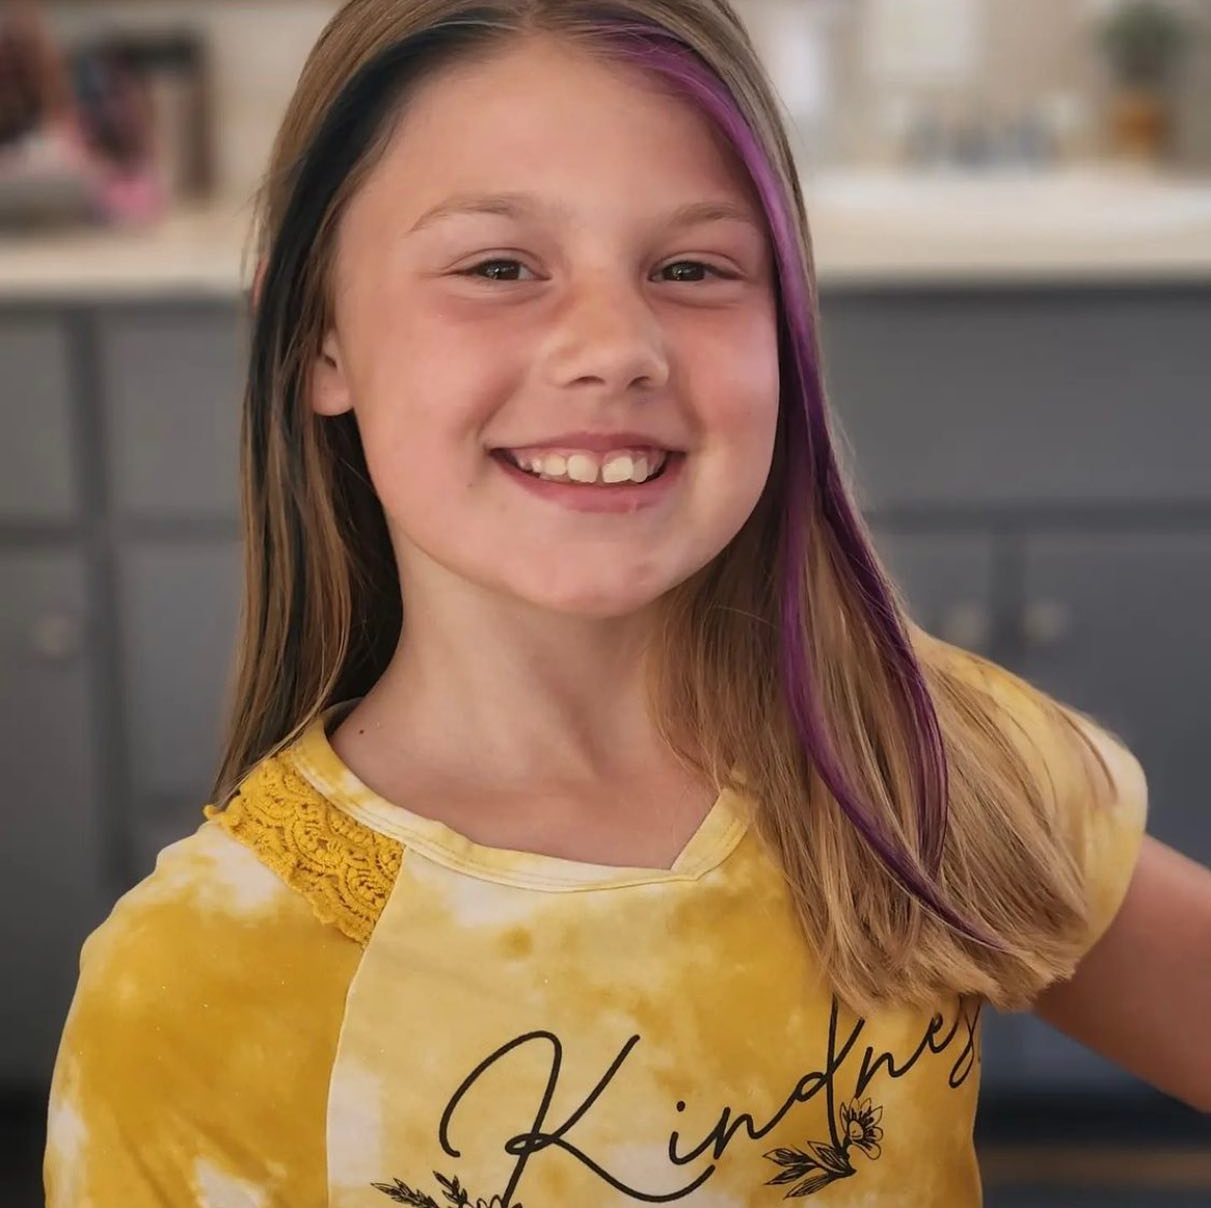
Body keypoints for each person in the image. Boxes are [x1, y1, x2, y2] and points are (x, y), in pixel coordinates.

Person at [43, 1, 1211, 1204]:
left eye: (691, 268)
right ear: (316, 336)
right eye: (499, 267)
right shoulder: (195, 983)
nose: (615, 345)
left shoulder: (909, 752)